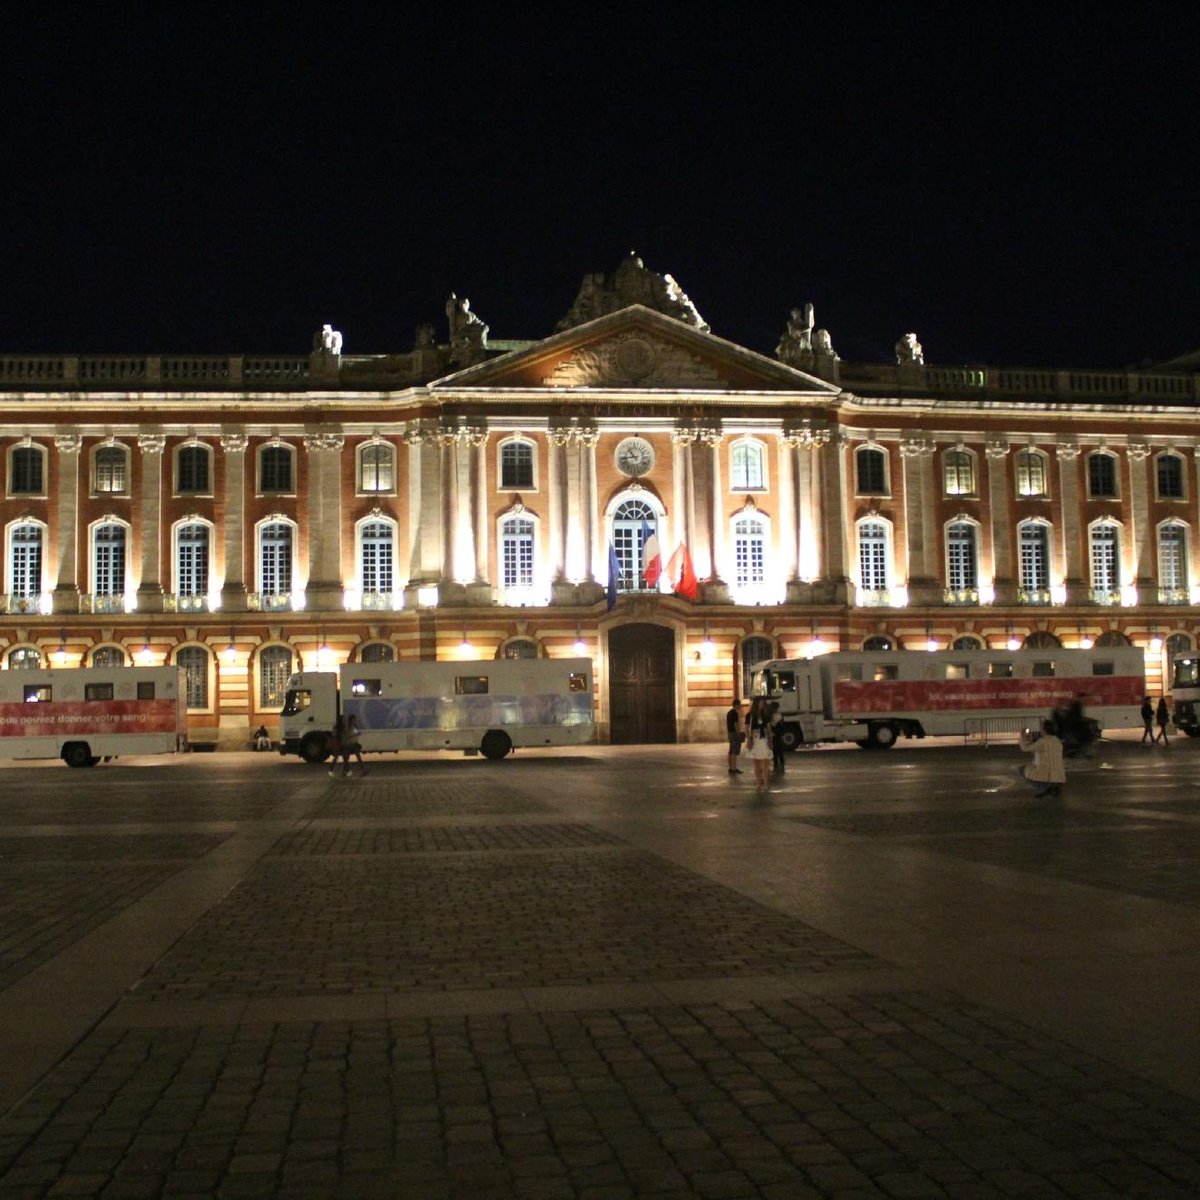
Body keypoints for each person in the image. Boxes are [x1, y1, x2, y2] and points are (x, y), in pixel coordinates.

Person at [1018, 720, 1065, 798]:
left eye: (1041, 728)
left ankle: (1044, 789)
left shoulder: (1043, 741)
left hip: (1047, 773)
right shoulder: (1057, 741)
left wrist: (1022, 738)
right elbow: (1038, 752)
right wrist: (1031, 742)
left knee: (1022, 769)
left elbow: (1025, 749)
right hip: (1058, 775)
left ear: (1044, 730)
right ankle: (1053, 788)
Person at [744, 697, 774, 790]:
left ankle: (765, 782)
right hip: (756, 739)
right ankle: (758, 782)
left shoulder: (766, 715)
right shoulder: (750, 715)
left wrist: (770, 739)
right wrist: (748, 739)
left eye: (763, 703)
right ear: (756, 704)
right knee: (756, 763)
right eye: (761, 703)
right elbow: (747, 728)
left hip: (764, 739)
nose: (762, 705)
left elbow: (768, 728)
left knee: (766, 762)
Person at [725, 699, 744, 774]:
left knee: (730, 751)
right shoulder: (735, 713)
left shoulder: (729, 713)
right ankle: (734, 768)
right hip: (734, 734)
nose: (740, 706)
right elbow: (736, 724)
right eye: (739, 705)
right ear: (736, 705)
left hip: (730, 733)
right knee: (734, 752)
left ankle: (730, 767)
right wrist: (739, 733)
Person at [768, 701, 786, 773]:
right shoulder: (779, 715)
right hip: (778, 734)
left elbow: (770, 724)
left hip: (773, 734)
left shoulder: (770, 715)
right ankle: (781, 762)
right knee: (780, 750)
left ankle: (776, 763)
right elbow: (781, 724)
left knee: (775, 751)